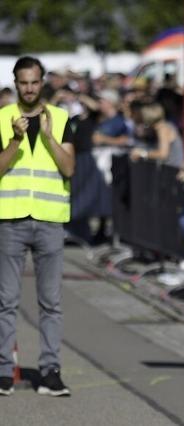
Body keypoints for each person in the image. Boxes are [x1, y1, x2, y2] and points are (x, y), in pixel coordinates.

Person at [0, 56, 75, 396]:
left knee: (51, 302)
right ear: (15, 83)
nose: (29, 88)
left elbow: (69, 168)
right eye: (22, 82)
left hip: (49, 221)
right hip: (11, 220)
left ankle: (50, 371)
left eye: (34, 81)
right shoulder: (2, 118)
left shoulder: (60, 118)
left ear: (42, 81)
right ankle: (4, 371)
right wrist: (15, 140)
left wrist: (48, 138)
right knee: (6, 301)